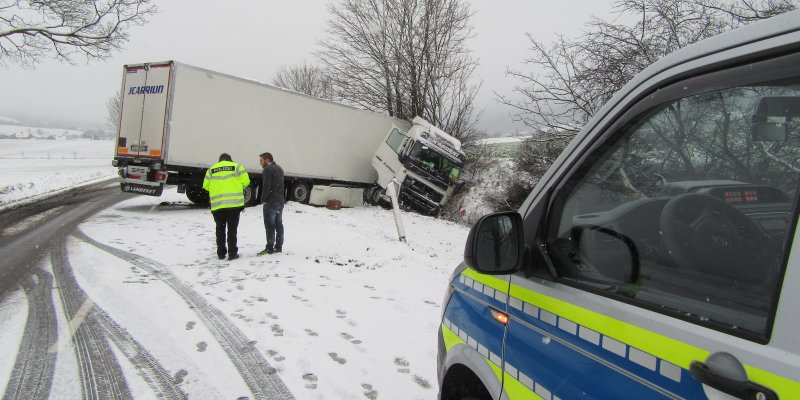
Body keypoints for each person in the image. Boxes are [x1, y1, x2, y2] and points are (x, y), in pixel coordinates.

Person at [202, 153, 250, 260]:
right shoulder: (237, 167)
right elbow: (246, 181)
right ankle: (232, 253)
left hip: (218, 205)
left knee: (220, 228)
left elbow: (206, 186)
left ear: (219, 161)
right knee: (232, 229)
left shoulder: (211, 169)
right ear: (230, 160)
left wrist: (217, 189)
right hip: (234, 204)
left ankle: (221, 253)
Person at [258, 152, 285, 255]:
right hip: (280, 201)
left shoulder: (267, 170)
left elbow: (266, 186)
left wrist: (264, 199)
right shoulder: (279, 168)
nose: (260, 163)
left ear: (267, 160)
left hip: (271, 202)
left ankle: (269, 248)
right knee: (279, 225)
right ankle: (278, 247)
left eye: (261, 160)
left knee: (270, 226)